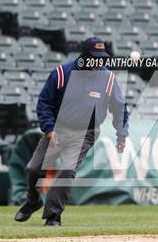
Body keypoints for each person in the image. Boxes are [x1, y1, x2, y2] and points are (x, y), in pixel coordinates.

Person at [14, 37, 129, 226]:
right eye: (95, 57)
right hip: (57, 130)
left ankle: (53, 216)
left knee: (67, 169)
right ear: (84, 56)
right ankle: (33, 200)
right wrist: (49, 128)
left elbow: (120, 108)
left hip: (86, 133)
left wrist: (121, 134)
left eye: (102, 58)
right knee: (32, 168)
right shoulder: (61, 73)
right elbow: (44, 103)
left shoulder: (107, 78)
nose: (99, 62)